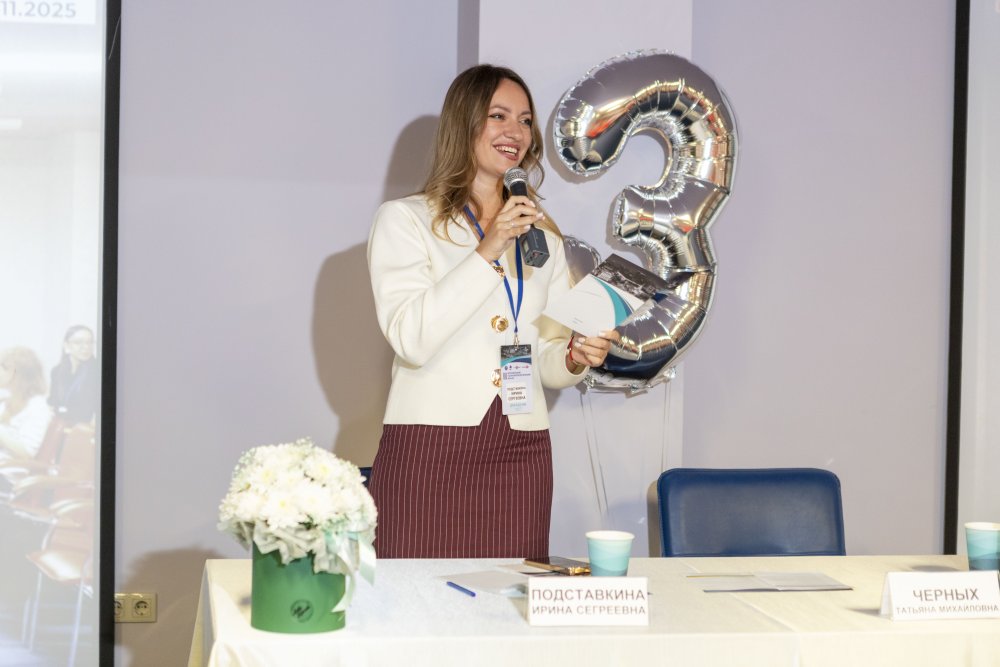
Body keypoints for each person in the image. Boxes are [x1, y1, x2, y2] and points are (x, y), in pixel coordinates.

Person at [367, 64, 617, 558]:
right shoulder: (405, 221)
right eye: (498, 116)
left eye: (524, 121)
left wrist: (574, 356)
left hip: (520, 448)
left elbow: (546, 356)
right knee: (414, 594)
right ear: (464, 123)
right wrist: (489, 248)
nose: (515, 133)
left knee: (513, 595)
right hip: (429, 443)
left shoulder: (543, 238)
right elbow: (412, 338)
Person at [0, 346, 53, 460]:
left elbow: (27, 453)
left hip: (11, 468)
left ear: (14, 373)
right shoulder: (6, 401)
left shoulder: (37, 406)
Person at [47, 325, 99, 430]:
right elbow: (52, 403)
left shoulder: (98, 371)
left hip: (84, 431)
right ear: (66, 346)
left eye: (89, 342)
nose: (86, 347)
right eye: (78, 342)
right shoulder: (57, 371)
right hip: (59, 426)